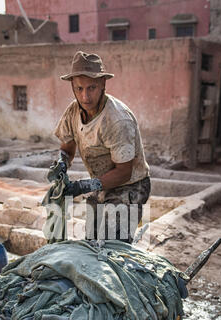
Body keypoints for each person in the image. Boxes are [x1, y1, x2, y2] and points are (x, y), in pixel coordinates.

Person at [54, 51, 151, 244]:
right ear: (73, 87)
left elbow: (124, 172)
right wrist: (61, 163)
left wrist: (82, 186)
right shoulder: (73, 111)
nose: (85, 96)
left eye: (91, 88)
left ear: (103, 85)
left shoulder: (116, 119)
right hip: (102, 185)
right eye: (79, 88)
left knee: (110, 248)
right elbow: (68, 145)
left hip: (129, 186)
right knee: (90, 244)